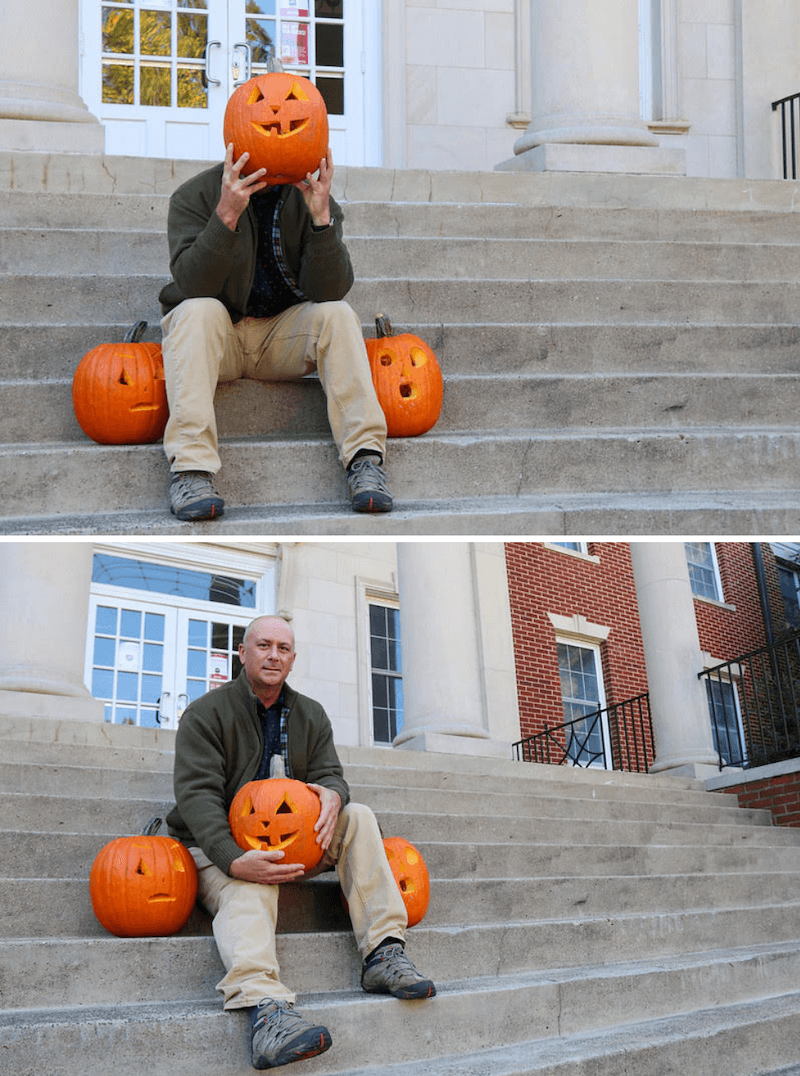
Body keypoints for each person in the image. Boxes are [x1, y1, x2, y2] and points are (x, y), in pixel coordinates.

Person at [166, 615, 435, 1070]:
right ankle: (265, 1010)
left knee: (359, 817)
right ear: (243, 652)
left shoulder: (310, 713)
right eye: (264, 645)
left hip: (297, 843)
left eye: (283, 648)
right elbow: (196, 797)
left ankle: (384, 951)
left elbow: (330, 772)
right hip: (219, 847)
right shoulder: (206, 714)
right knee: (250, 889)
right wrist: (235, 859)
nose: (274, 656)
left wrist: (333, 792)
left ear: (293, 658)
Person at [158, 143, 392, 521]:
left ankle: (365, 460)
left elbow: (330, 290)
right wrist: (226, 214)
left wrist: (321, 218)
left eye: (289, 132)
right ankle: (191, 470)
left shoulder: (307, 194)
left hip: (279, 339)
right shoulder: (194, 196)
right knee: (196, 311)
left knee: (339, 314)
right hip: (220, 338)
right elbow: (191, 283)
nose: (279, 139)